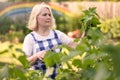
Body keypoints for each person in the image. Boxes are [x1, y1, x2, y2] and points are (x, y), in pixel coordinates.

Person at [23, 2, 85, 80]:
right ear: (36, 18)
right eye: (44, 15)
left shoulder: (58, 34)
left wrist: (85, 34)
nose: (48, 17)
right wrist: (37, 55)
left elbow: (77, 47)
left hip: (57, 77)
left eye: (49, 15)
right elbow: (25, 64)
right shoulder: (30, 38)